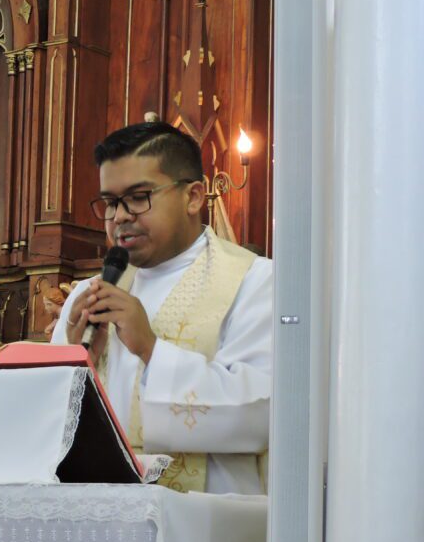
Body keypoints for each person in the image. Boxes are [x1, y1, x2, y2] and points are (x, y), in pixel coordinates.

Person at [51, 122, 271, 495]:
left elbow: (260, 413)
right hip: (99, 514)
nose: (119, 216)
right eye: (110, 202)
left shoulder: (254, 281)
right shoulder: (87, 296)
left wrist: (151, 349)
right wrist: (73, 360)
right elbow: (51, 422)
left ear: (194, 197)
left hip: (203, 529)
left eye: (138, 197)